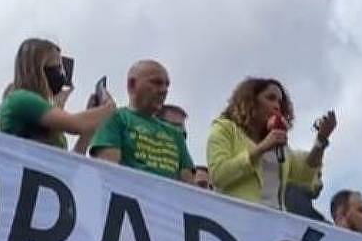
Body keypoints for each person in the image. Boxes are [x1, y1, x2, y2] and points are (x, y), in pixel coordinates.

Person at [207, 77, 334, 210]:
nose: (277, 106)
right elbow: (218, 175)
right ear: (251, 101)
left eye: (280, 102)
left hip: (274, 224)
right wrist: (261, 149)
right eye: (270, 98)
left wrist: (321, 140)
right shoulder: (224, 128)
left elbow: (305, 171)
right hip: (237, 219)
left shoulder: (277, 144)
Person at [0, 38, 115, 153]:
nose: (62, 75)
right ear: (39, 69)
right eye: (57, 68)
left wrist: (91, 126)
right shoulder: (21, 99)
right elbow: (76, 124)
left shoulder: (41, 111)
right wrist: (108, 108)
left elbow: (68, 164)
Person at [90, 60, 194, 183]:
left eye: (167, 85)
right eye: (156, 83)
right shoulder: (115, 118)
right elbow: (106, 174)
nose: (164, 90)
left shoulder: (176, 135)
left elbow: (190, 190)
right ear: (132, 84)